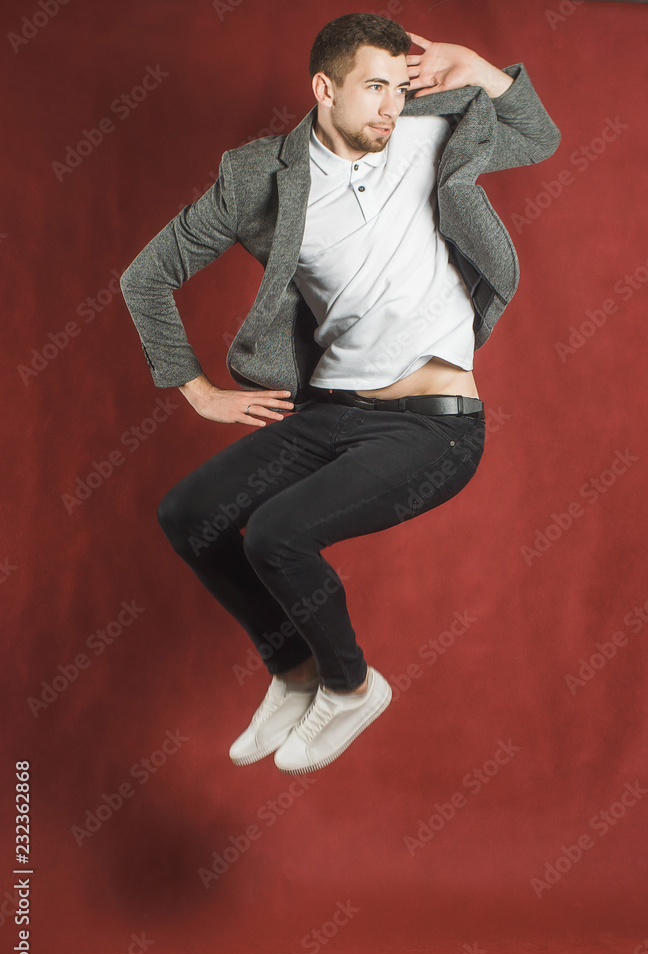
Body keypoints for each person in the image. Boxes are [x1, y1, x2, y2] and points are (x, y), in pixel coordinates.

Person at [119, 13, 560, 775]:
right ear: (324, 89)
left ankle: (350, 687)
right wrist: (195, 391)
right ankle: (293, 675)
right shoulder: (257, 177)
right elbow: (144, 278)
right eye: (373, 89)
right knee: (189, 515)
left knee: (278, 534)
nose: (390, 107)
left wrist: (483, 70)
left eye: (397, 88)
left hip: (431, 426)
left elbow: (538, 137)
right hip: (331, 410)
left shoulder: (428, 134)